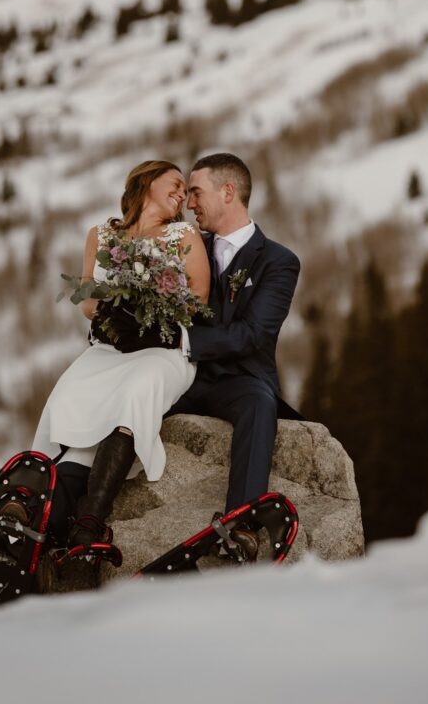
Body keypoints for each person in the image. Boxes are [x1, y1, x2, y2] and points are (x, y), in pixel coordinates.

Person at [29, 159, 210, 585]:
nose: (182, 195)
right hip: (109, 348)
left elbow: (199, 297)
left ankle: (89, 524)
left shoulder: (183, 236)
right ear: (146, 182)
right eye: (176, 184)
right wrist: (115, 309)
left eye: (186, 191)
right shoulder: (101, 235)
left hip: (162, 351)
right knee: (69, 400)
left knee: (137, 391)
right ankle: (48, 530)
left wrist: (154, 306)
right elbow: (87, 297)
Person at [165, 152, 302, 561]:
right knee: (126, 398)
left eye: (195, 192)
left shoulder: (279, 261)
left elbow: (254, 334)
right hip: (182, 376)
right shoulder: (187, 249)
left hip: (239, 381)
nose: (189, 203)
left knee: (260, 404)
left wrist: (184, 340)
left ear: (228, 192)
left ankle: (241, 525)